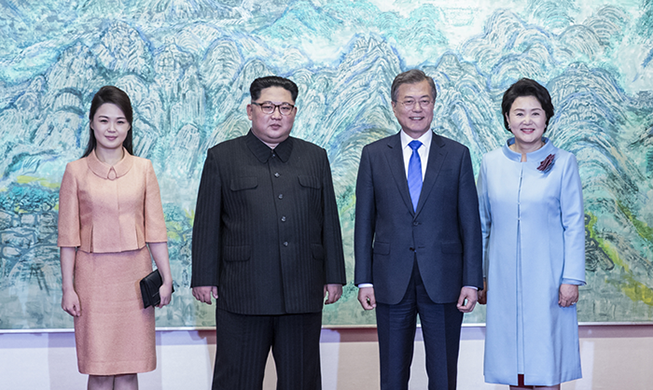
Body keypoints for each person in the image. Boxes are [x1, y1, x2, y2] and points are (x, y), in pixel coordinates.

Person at [191, 75, 346, 390]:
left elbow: (328, 219)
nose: (276, 115)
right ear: (250, 110)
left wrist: (334, 275)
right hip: (243, 294)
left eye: (285, 107)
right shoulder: (222, 158)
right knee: (236, 380)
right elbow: (207, 222)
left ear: (295, 111)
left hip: (302, 292)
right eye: (268, 106)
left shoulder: (315, 157)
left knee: (301, 382)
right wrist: (204, 277)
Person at [354, 69, 483, 390]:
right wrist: (364, 280)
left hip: (444, 280)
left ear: (434, 104)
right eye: (408, 101)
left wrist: (471, 280)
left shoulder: (456, 155)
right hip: (389, 279)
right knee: (393, 373)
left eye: (424, 101)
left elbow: (471, 224)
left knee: (442, 374)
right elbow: (364, 221)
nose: (416, 108)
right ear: (394, 107)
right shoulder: (373, 155)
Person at [58, 86, 173, 390]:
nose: (112, 128)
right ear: (92, 123)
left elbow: (156, 231)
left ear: (130, 125)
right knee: (99, 370)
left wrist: (167, 279)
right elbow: (67, 238)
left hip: (134, 278)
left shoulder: (144, 169)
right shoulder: (75, 172)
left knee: (128, 370)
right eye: (104, 120)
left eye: (120, 121)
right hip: (92, 281)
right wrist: (68, 288)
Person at [477, 78, 585, 389]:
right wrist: (480, 277)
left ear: (547, 118)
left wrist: (571, 279)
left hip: (550, 283)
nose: (528, 121)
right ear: (507, 119)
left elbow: (574, 224)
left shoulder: (564, 163)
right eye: (519, 113)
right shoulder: (491, 163)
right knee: (513, 369)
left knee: (547, 365)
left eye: (536, 113)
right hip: (502, 281)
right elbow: (483, 224)